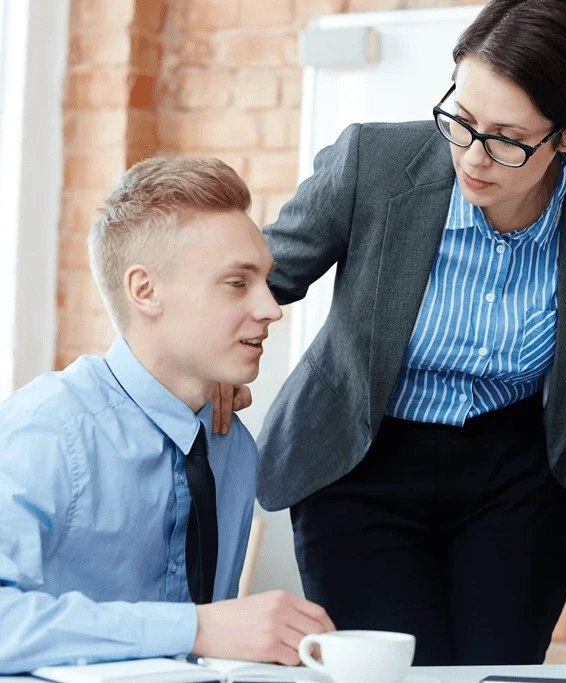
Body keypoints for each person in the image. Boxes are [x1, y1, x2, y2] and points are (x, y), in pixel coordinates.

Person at [238, 0, 566, 666]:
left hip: (514, 476)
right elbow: (263, 278)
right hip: (365, 460)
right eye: (461, 121)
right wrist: (208, 370)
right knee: (395, 675)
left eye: (505, 137)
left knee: (497, 674)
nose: (473, 155)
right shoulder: (374, 165)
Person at [0, 158, 334, 673]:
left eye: (265, 280)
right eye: (236, 283)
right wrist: (197, 627)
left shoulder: (232, 449)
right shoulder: (49, 430)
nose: (271, 308)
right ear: (145, 291)